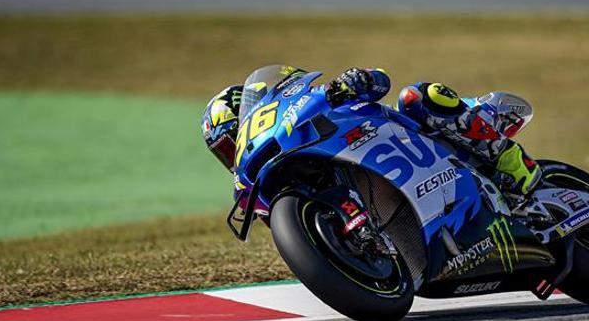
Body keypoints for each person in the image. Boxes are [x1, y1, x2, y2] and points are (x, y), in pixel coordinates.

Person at [202, 66, 539, 212]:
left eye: (233, 141)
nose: (236, 153)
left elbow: (379, 80)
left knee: (418, 96)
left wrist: (354, 81)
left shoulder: (319, 105)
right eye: (226, 152)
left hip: (411, 140)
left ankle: (508, 161)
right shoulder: (264, 194)